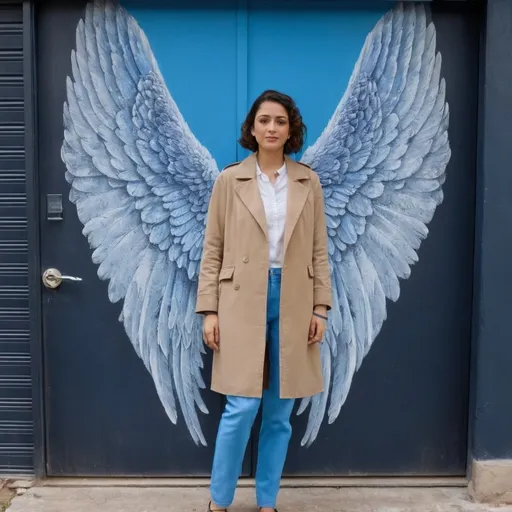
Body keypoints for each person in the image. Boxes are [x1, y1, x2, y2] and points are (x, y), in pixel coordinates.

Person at [196, 90, 332, 512]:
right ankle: (219, 501)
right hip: (240, 301)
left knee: (279, 413)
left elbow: (318, 251)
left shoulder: (308, 181)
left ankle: (267, 502)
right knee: (241, 405)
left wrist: (320, 307)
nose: (272, 128)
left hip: (294, 299)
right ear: (252, 128)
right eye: (264, 121)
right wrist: (209, 310)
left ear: (291, 130)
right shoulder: (228, 180)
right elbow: (212, 248)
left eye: (280, 121)